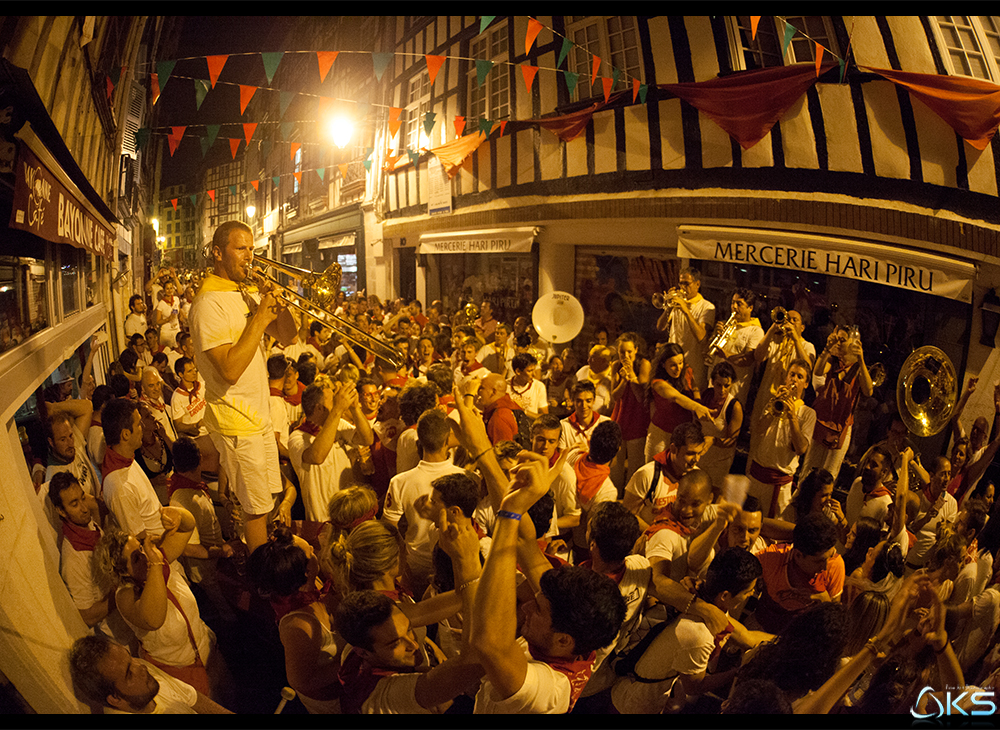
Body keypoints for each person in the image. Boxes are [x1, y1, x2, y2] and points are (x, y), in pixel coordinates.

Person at [188, 220, 297, 552]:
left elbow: (288, 336)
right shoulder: (208, 303)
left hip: (258, 416)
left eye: (252, 248)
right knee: (255, 509)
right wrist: (261, 316)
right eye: (241, 248)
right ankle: (263, 574)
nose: (250, 256)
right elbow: (230, 370)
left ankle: (273, 558)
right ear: (218, 253)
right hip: (236, 421)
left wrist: (278, 303)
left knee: (271, 497)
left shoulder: (242, 291)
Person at [611, 547, 766, 714]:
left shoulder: (698, 596)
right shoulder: (699, 634)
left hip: (635, 690)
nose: (751, 594)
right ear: (725, 595)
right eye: (748, 591)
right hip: (632, 704)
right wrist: (736, 672)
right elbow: (694, 686)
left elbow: (744, 635)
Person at [94, 506, 218, 698]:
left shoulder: (157, 561)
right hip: (179, 671)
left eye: (140, 547)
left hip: (207, 649)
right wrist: (156, 565)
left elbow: (187, 526)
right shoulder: (125, 596)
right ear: (123, 571)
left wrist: (179, 515)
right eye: (136, 558)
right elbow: (154, 619)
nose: (144, 555)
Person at [246, 524, 343, 713]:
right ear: (305, 572)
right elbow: (302, 681)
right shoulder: (299, 625)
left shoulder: (311, 584)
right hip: (331, 701)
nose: (314, 550)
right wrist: (353, 659)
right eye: (310, 552)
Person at [383, 409, 466, 598]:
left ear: (419, 439)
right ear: (447, 441)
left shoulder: (400, 482)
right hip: (454, 565)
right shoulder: (466, 479)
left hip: (415, 565)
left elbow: (389, 531)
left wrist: (402, 566)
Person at [49, 472, 133, 644]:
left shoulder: (88, 526)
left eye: (82, 498)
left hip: (129, 619)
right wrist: (122, 591)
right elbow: (87, 616)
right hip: (119, 635)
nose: (85, 508)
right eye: (74, 504)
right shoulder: (73, 559)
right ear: (61, 511)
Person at [68, 634, 232, 714]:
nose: (140, 666)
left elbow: (191, 697)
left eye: (130, 658)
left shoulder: (144, 675)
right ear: (115, 698)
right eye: (129, 673)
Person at [288, 380, 373, 523]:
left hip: (349, 514)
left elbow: (367, 439)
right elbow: (317, 456)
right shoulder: (297, 437)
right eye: (332, 401)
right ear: (319, 408)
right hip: (322, 521)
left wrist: (354, 409)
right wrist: (338, 409)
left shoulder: (338, 424)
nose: (336, 403)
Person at [801, 324, 875, 483]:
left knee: (829, 475)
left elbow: (868, 391)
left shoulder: (858, 368)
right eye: (837, 339)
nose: (839, 343)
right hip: (822, 421)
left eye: (843, 340)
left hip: (841, 428)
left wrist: (861, 360)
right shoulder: (833, 360)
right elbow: (818, 371)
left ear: (853, 343)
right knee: (808, 471)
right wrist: (827, 349)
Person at [752, 512, 846, 634]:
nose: (825, 567)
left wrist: (825, 601)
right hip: (764, 626)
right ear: (798, 555)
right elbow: (757, 526)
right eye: (819, 561)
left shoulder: (835, 564)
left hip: (802, 636)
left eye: (830, 556)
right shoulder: (773, 559)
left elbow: (835, 616)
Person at [747, 358, 816, 518]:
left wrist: (792, 417)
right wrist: (774, 406)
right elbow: (758, 429)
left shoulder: (807, 413)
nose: (794, 380)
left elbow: (801, 449)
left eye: (800, 377)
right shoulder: (774, 401)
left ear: (806, 384)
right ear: (786, 378)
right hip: (757, 477)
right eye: (792, 375)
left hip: (779, 484)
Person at [750, 308, 816, 458]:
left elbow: (808, 368)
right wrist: (772, 329)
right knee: (756, 441)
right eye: (788, 319)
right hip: (767, 397)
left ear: (802, 327)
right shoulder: (775, 340)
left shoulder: (807, 346)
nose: (790, 323)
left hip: (790, 402)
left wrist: (795, 339)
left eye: (795, 320)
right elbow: (758, 356)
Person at [623, 421, 708, 531]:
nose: (696, 459)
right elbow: (627, 514)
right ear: (673, 449)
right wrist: (654, 535)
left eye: (699, 453)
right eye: (690, 453)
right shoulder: (647, 474)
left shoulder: (697, 476)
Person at [101, 398, 165, 540]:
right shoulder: (119, 487)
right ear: (125, 434)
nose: (142, 426)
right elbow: (139, 540)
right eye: (138, 424)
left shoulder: (126, 459)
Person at [645, 342, 712, 462]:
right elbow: (677, 397)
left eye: (680, 363)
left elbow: (694, 388)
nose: (678, 368)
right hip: (661, 433)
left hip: (681, 435)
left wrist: (698, 403)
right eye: (673, 365)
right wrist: (698, 407)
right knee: (655, 469)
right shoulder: (658, 383)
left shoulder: (686, 371)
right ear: (663, 365)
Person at [568, 420, 622, 561]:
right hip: (582, 548)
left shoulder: (573, 456)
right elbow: (594, 530)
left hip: (562, 535)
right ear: (618, 450)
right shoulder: (607, 490)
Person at [656, 267, 715, 391]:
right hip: (673, 365)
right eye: (680, 283)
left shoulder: (707, 307)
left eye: (686, 284)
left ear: (697, 284)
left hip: (693, 366)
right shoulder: (677, 304)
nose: (682, 287)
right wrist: (668, 307)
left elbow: (701, 337)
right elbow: (660, 327)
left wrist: (686, 310)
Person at [707, 288, 765, 407]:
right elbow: (707, 350)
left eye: (739, 304)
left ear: (750, 308)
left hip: (734, 390)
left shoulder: (756, 331)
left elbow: (748, 360)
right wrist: (715, 335)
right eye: (733, 302)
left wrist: (726, 355)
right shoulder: (727, 324)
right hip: (714, 384)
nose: (734, 307)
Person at [609, 332, 651, 488]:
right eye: (621, 352)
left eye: (629, 352)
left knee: (635, 466)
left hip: (637, 421)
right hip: (619, 419)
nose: (625, 355)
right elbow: (615, 396)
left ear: (636, 350)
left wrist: (632, 375)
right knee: (615, 467)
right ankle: (613, 497)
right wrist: (624, 381)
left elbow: (641, 397)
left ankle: (629, 500)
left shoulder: (644, 364)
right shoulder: (615, 365)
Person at [696, 361, 743, 490]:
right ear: (712, 381)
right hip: (700, 457)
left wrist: (713, 440)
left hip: (719, 462)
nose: (722, 390)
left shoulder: (734, 407)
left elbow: (732, 440)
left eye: (726, 386)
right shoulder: (706, 395)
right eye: (718, 385)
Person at [907, 456, 959, 572]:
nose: (946, 479)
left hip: (926, 569)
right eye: (942, 474)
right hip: (907, 565)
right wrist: (926, 518)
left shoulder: (951, 504)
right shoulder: (917, 498)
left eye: (949, 474)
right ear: (931, 475)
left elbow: (946, 540)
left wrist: (944, 533)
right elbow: (906, 532)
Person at [844, 445, 893, 528]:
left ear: (884, 472)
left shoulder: (885, 504)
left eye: (874, 465)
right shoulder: (857, 483)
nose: (867, 467)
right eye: (867, 462)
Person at [472, 373, 526, 446]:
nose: (477, 391)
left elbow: (502, 454)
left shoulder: (500, 417)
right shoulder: (508, 405)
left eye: (481, 388)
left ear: (493, 392)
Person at [558, 381, 612, 452]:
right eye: (579, 401)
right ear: (573, 401)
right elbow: (562, 459)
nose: (584, 406)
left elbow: (611, 457)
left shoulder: (605, 423)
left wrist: (587, 452)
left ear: (594, 400)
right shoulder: (564, 425)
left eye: (588, 401)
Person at [575, 345, 614, 416]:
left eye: (592, 358)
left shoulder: (612, 378)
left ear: (603, 361)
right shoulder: (583, 371)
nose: (588, 360)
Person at [507, 352, 548, 420]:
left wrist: (523, 411)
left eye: (534, 370)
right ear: (518, 371)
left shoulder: (539, 387)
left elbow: (544, 417)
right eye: (530, 371)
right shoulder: (505, 387)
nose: (534, 374)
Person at [155, 278, 183, 349]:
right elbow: (158, 321)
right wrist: (168, 319)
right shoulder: (161, 304)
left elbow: (179, 313)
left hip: (176, 330)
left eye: (171, 288)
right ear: (164, 290)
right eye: (167, 288)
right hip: (166, 332)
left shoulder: (176, 299)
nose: (169, 290)